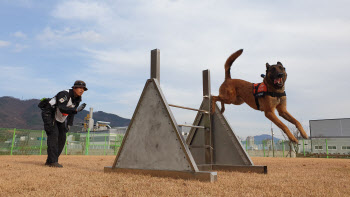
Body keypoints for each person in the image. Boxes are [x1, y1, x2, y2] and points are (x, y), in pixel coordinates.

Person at [39, 80, 87, 167]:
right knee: (53, 135)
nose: (82, 90)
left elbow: (71, 113)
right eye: (80, 88)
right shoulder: (64, 94)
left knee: (62, 138)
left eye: (83, 89)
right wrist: (76, 110)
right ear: (74, 88)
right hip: (49, 114)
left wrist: (69, 124)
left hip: (60, 118)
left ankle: (51, 160)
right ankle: (53, 162)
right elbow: (62, 108)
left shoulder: (78, 99)